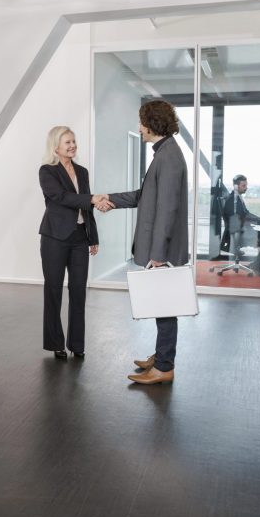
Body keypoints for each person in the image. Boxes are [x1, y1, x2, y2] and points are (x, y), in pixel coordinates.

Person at [102, 100, 189, 384]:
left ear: (152, 124)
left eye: (141, 122)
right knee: (161, 304)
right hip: (159, 247)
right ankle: (161, 356)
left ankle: (164, 367)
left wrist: (159, 254)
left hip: (162, 249)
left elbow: (167, 209)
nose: (139, 128)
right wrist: (110, 199)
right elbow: (145, 196)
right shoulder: (165, 154)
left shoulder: (168, 157)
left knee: (164, 305)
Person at [39, 126, 109, 359]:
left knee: (79, 291)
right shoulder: (47, 171)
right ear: (56, 147)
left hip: (80, 237)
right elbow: (61, 197)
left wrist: (93, 236)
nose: (72, 145)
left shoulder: (82, 171)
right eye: (67, 142)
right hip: (55, 238)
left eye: (74, 141)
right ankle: (56, 343)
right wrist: (91, 198)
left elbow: (87, 208)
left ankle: (77, 344)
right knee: (54, 291)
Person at [221, 174, 260, 275]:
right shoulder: (232, 201)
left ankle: (256, 264)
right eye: (244, 186)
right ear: (236, 186)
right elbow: (243, 218)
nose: (246, 188)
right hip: (237, 235)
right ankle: (259, 266)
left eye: (246, 185)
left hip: (240, 231)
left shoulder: (237, 198)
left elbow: (246, 214)